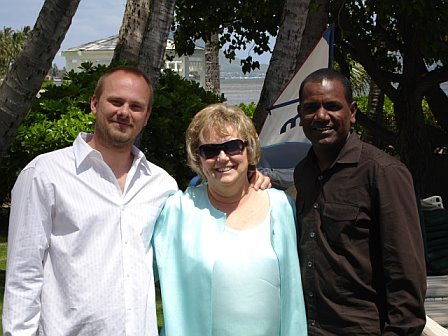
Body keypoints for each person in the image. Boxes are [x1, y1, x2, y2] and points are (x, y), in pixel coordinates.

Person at [2, 66, 179, 335]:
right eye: (116, 101)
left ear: (146, 117)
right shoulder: (44, 174)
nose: (124, 113)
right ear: (95, 104)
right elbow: (23, 276)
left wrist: (250, 183)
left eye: (136, 106)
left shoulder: (161, 184)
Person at [152, 103, 307, 336]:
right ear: (198, 158)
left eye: (233, 146)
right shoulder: (177, 211)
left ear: (249, 150)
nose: (223, 158)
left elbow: (296, 289)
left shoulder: (281, 207)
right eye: (210, 150)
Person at [294, 68, 427, 335]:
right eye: (311, 108)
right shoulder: (303, 172)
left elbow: (406, 276)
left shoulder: (383, 173)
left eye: (332, 106)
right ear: (300, 114)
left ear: (352, 112)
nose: (321, 116)